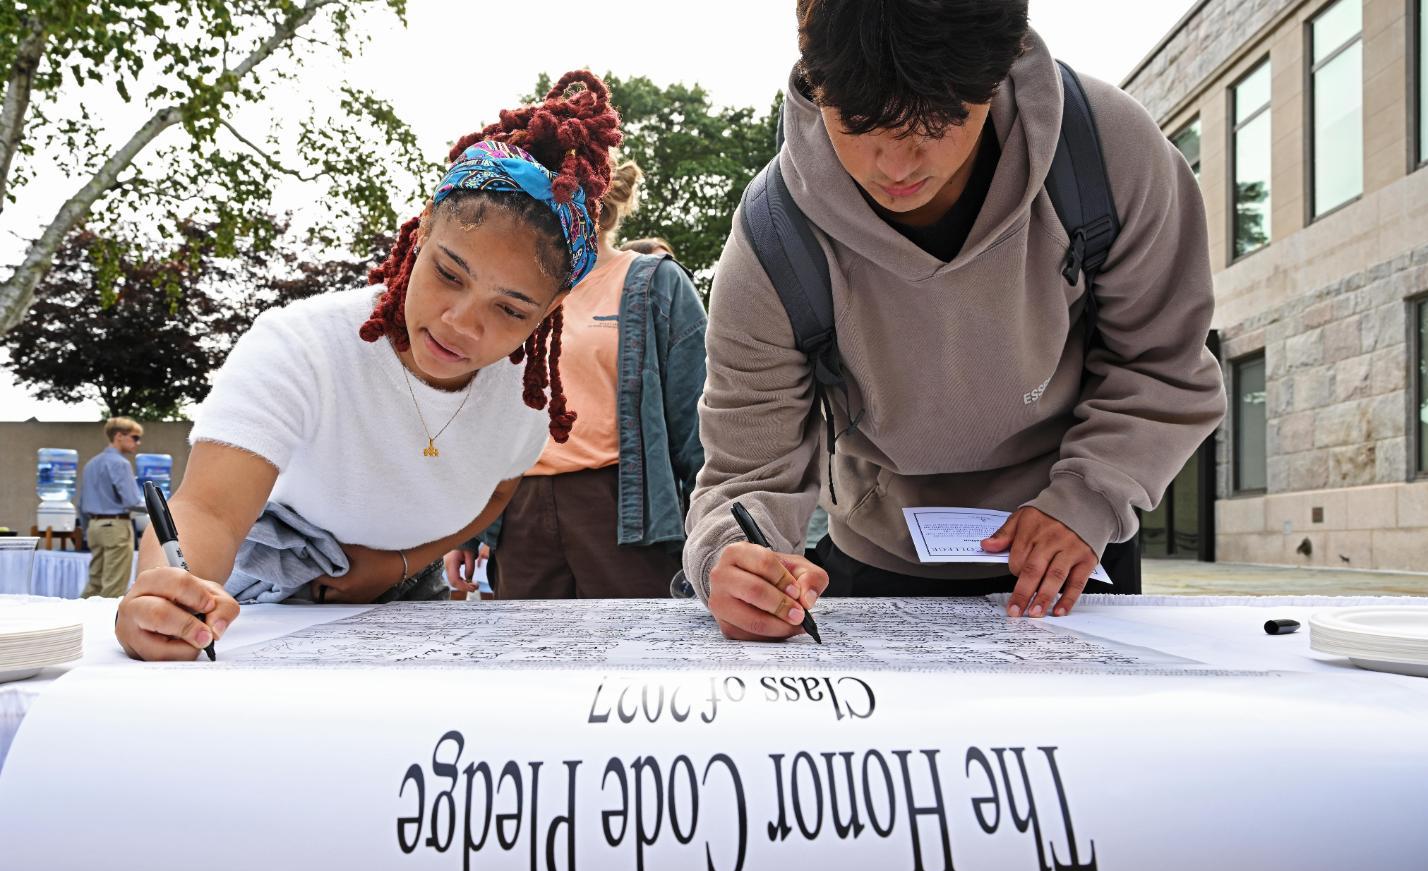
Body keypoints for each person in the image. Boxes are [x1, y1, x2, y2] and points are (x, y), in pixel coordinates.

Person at [683, 0, 1226, 641]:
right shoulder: (773, 241)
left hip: (1075, 544)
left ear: (1001, 66)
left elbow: (1163, 363)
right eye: (858, 124)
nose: (897, 167)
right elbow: (747, 470)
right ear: (814, 81)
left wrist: (1088, 497)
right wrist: (731, 558)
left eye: (936, 122)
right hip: (874, 555)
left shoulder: (1110, 154)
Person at [115, 71, 622, 660]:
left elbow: (498, 490)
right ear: (424, 229)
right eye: (449, 274)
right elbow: (208, 509)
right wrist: (168, 597)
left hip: (415, 613)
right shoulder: (300, 348)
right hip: (254, 605)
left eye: (510, 309)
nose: (460, 323)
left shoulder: (525, 400)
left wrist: (399, 563)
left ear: (550, 312)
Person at [447, 161, 709, 598]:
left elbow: (696, 425)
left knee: (637, 655)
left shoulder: (655, 284)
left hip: (625, 511)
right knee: (529, 660)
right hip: (519, 512)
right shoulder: (512, 293)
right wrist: (466, 531)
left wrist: (719, 534)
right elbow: (480, 415)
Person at [78, 416, 145, 598]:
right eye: (135, 437)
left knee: (94, 584)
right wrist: (159, 507)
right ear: (119, 436)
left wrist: (87, 530)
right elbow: (131, 501)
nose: (138, 443)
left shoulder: (91, 464)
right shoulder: (120, 463)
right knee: (113, 587)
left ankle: (81, 620)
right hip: (116, 527)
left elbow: (81, 503)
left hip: (94, 527)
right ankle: (105, 626)